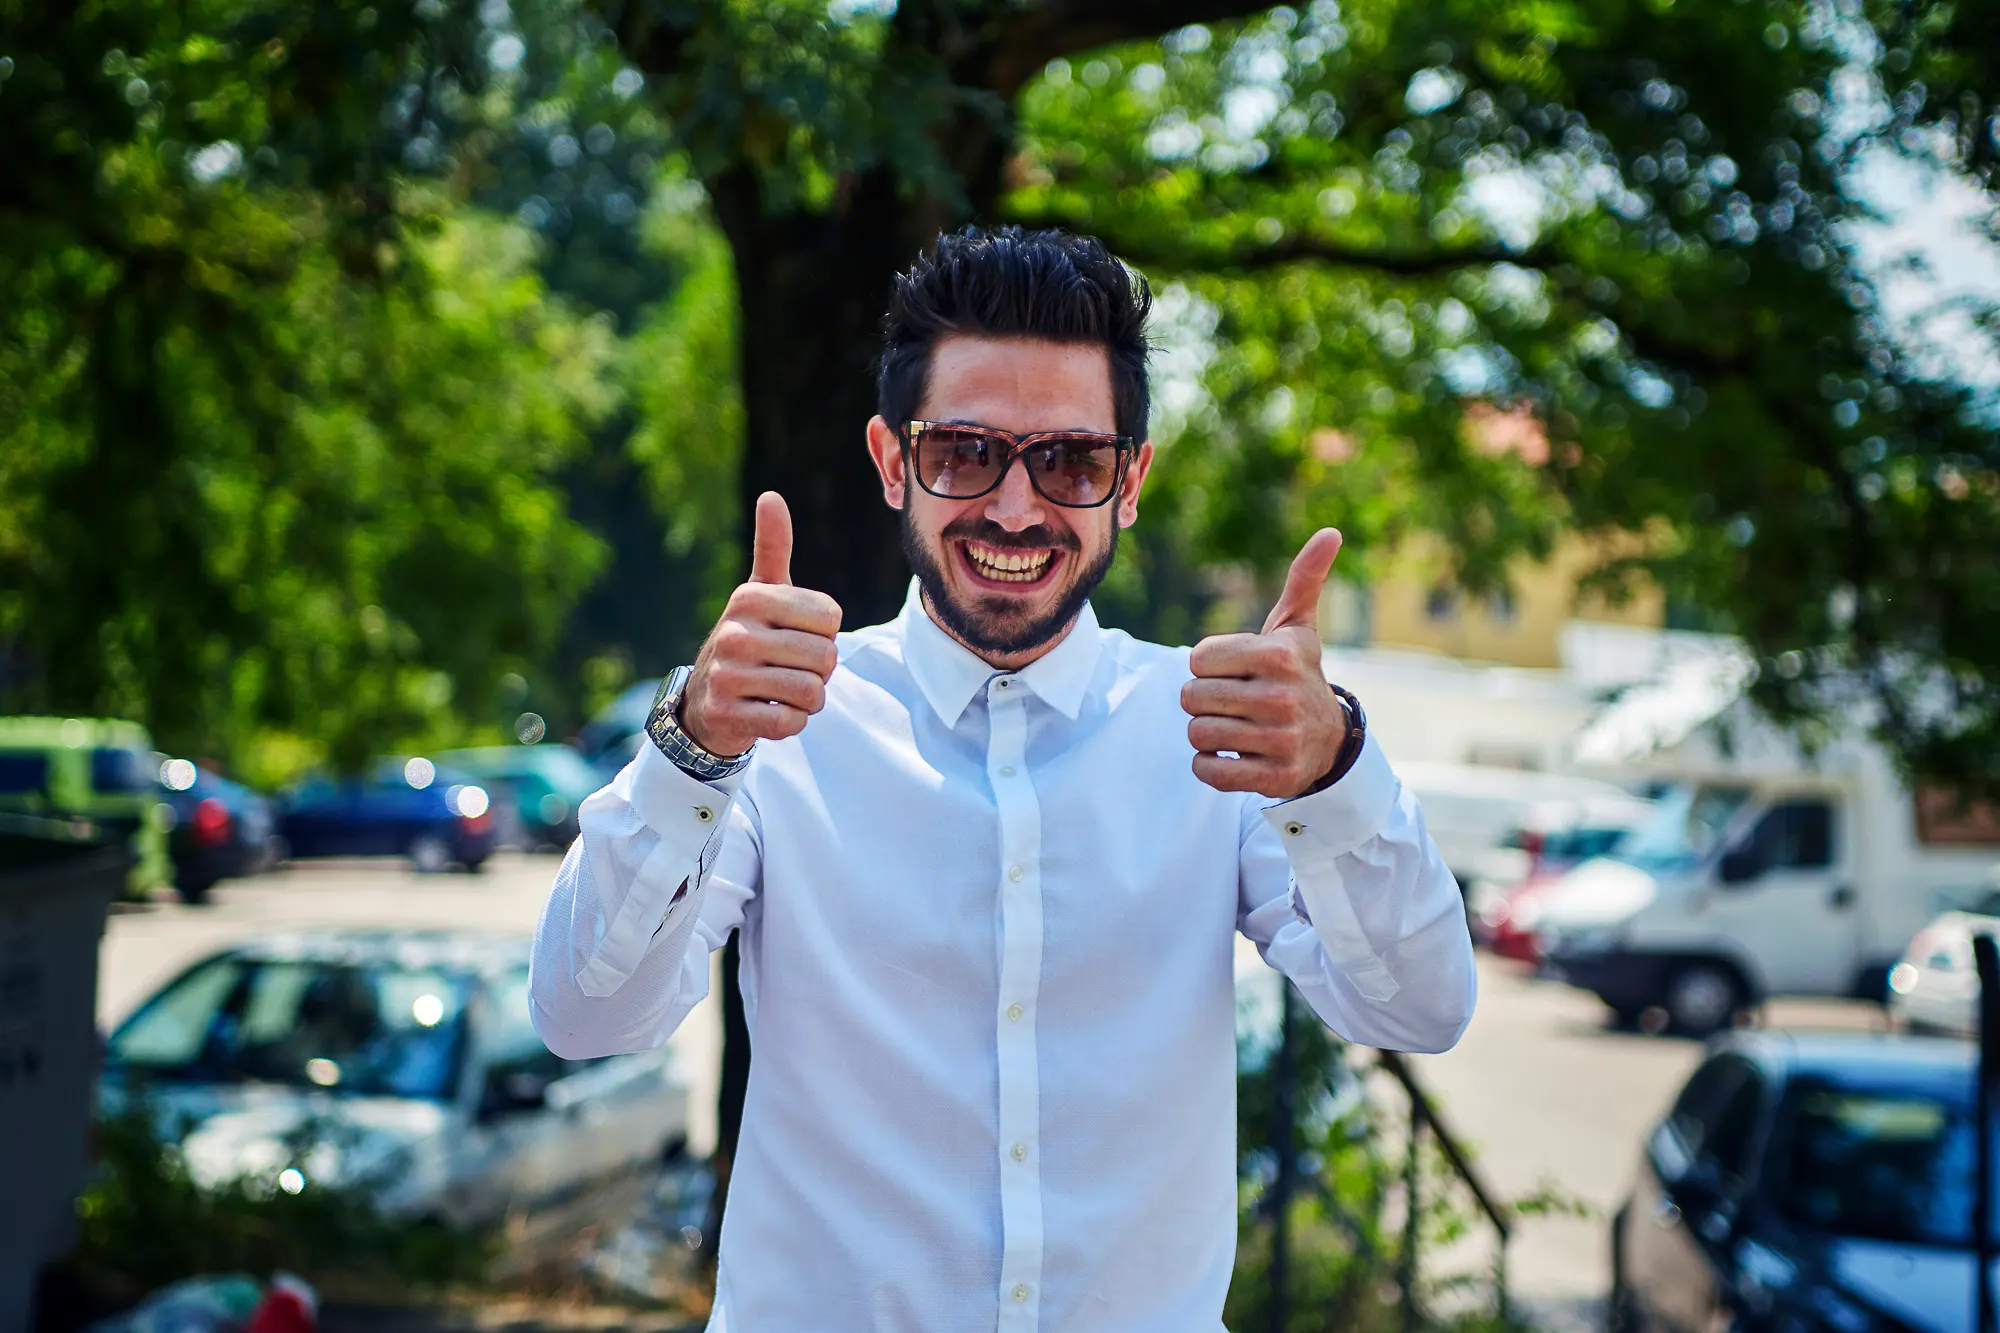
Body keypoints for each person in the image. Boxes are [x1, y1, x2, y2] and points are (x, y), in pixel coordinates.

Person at [530, 226, 1475, 1332]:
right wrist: (688, 752)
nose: (1017, 509)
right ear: (893, 463)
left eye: (1069, 461)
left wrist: (1336, 773)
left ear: (1128, 481)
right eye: (964, 452)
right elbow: (584, 1016)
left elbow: (1418, 1010)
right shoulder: (771, 724)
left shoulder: (1220, 738)